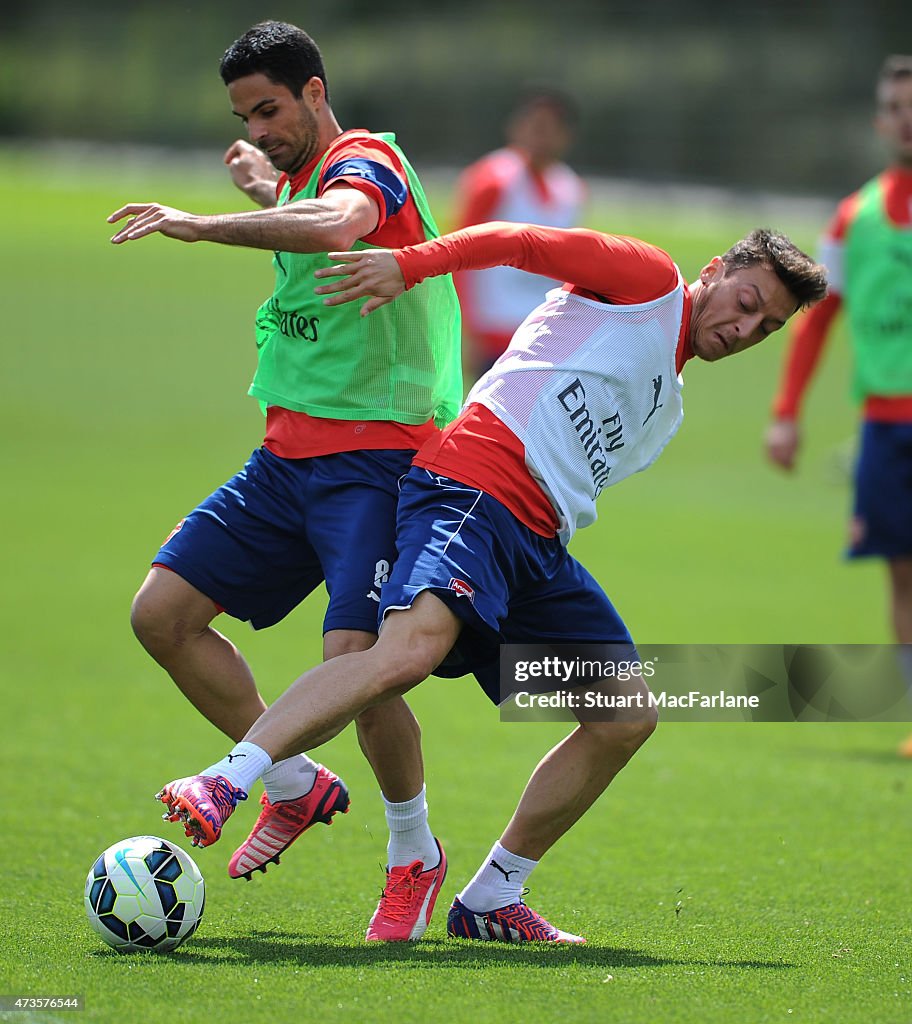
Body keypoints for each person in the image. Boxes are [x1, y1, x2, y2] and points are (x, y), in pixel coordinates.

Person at [154, 220, 827, 943]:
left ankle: (492, 896)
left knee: (625, 716)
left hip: (538, 542)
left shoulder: (670, 403)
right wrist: (411, 264)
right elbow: (521, 242)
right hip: (474, 488)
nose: (746, 326)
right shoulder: (648, 282)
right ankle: (234, 777)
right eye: (747, 300)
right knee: (403, 655)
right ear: (717, 268)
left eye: (767, 326)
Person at [107, 20, 462, 940]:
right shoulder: (302, 172)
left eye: (269, 109)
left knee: (361, 677)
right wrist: (268, 182)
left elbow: (343, 217)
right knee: (162, 616)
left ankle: (412, 852)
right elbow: (308, 204)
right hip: (282, 465)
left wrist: (201, 222)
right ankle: (298, 785)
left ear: (314, 90)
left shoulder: (369, 160)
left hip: (378, 468)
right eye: (242, 114)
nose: (257, 126)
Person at [764, 55, 912, 755]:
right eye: (895, 106)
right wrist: (788, 409)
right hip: (884, 423)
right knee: (901, 571)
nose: (905, 118)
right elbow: (821, 317)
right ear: (882, 119)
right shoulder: (857, 215)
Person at [452, 89, 585, 379]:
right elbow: (457, 252)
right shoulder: (494, 179)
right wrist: (464, 324)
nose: (541, 136)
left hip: (543, 330)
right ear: (516, 127)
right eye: (535, 126)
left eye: (551, 129)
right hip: (494, 328)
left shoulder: (570, 187)